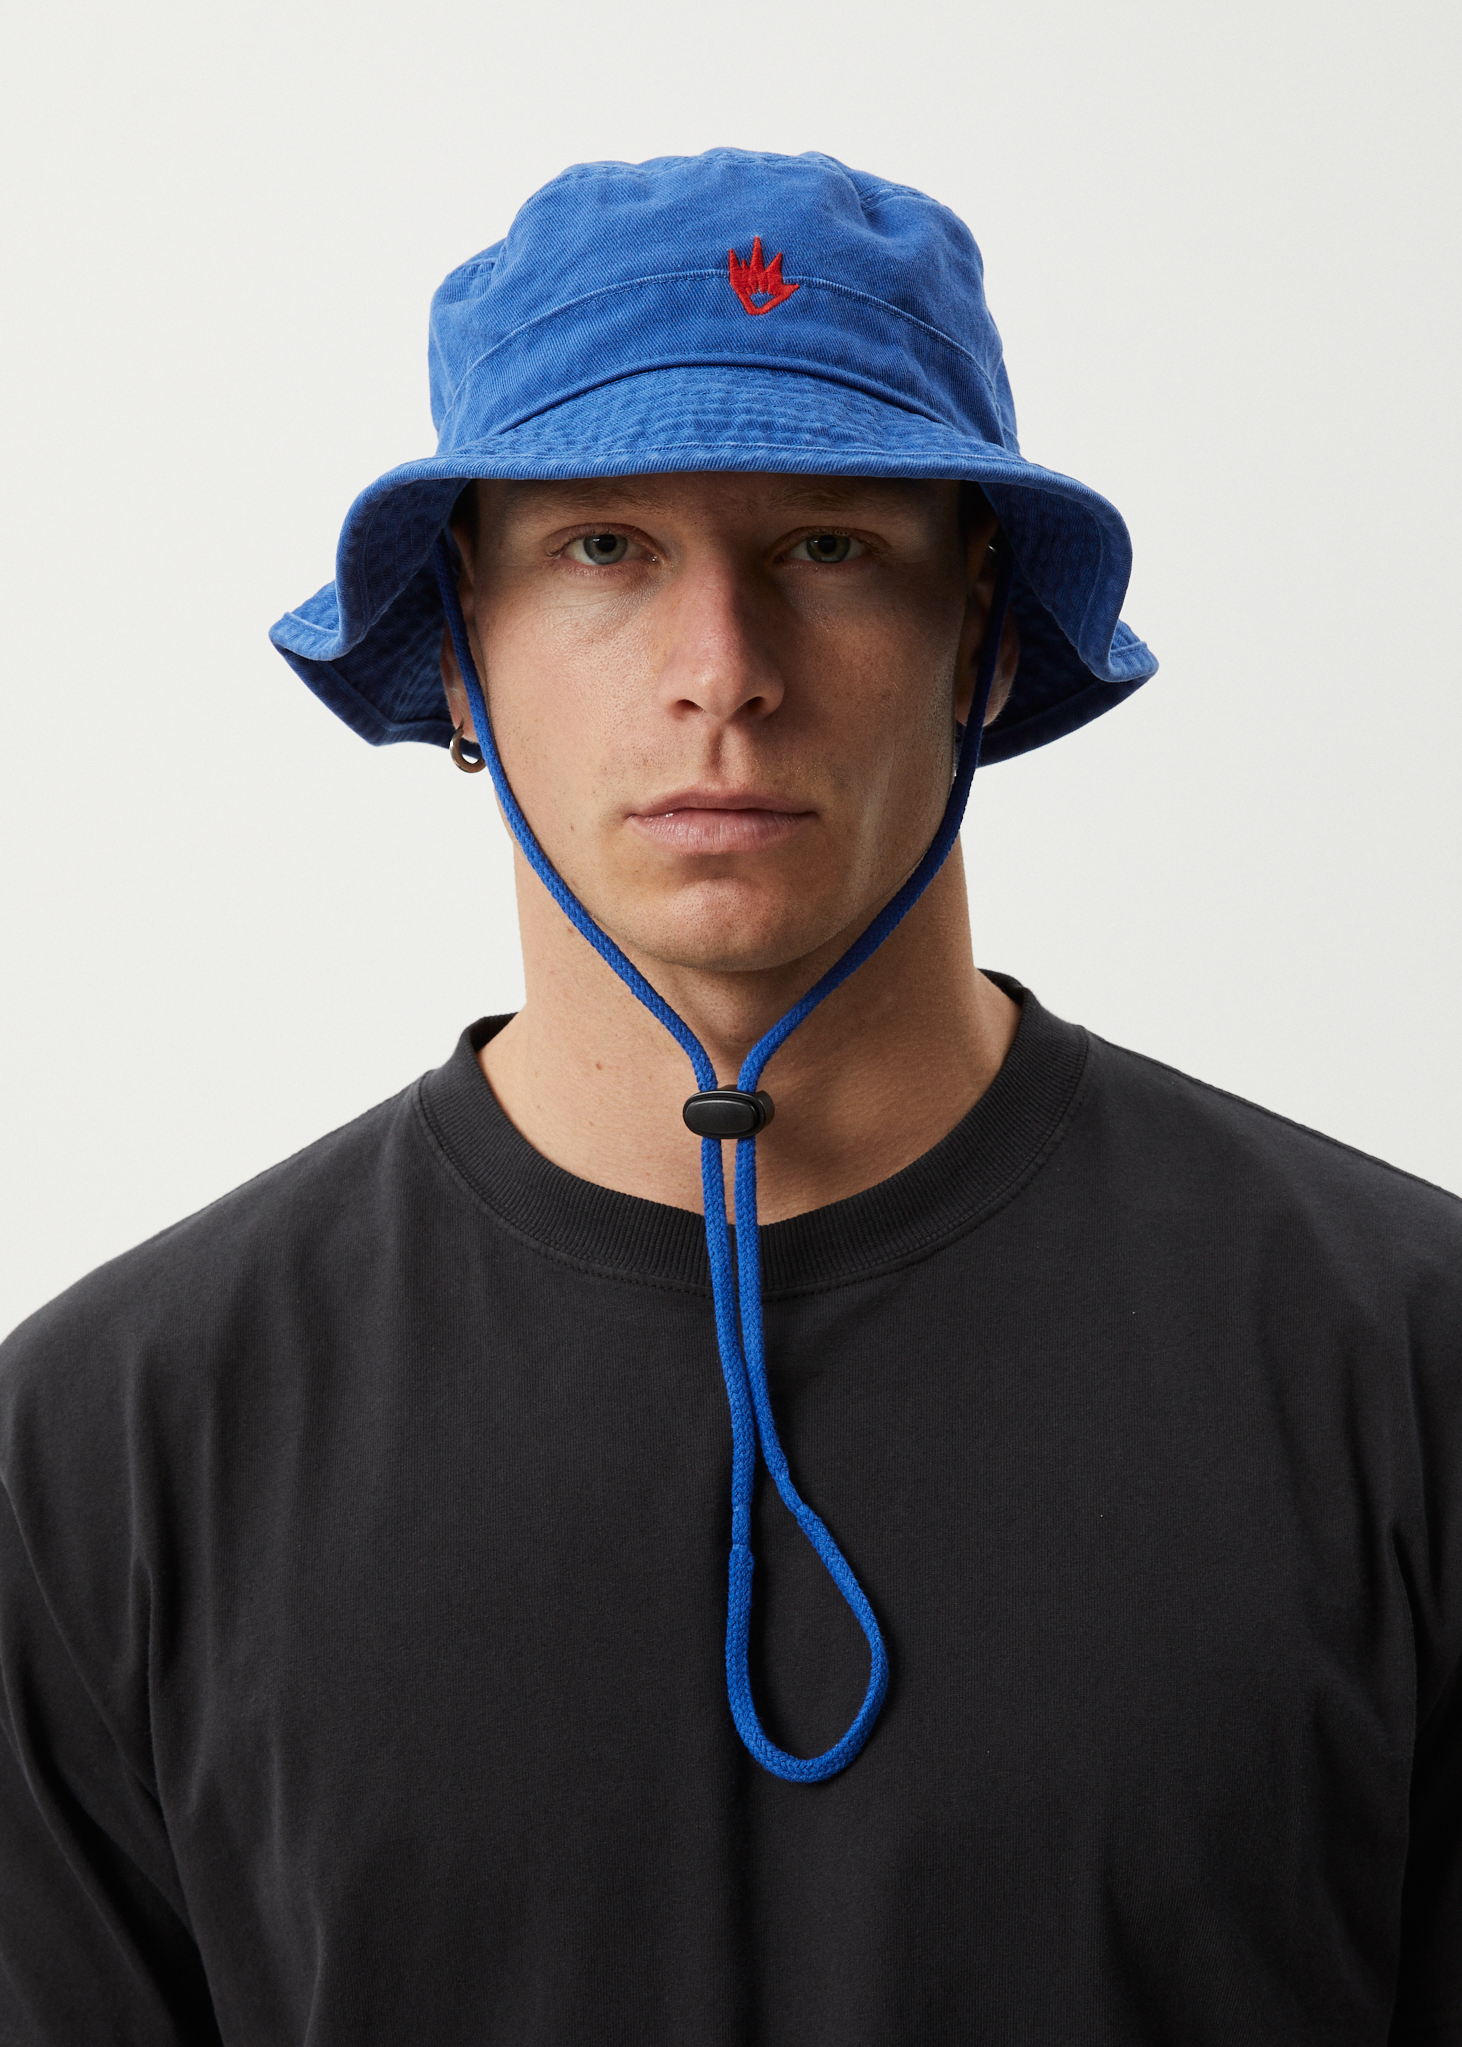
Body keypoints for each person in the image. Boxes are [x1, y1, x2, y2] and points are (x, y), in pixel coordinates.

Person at [0, 148, 1457, 2045]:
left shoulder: (1404, 1364)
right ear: (458, 647)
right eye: (604, 549)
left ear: (983, 632)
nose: (723, 674)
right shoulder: (107, 1446)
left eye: (828, 546)